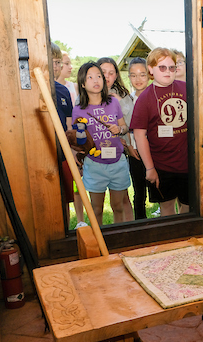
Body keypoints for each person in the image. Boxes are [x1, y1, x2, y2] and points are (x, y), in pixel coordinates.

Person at [131, 48, 189, 216]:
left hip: (188, 164)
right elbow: (139, 134)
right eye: (162, 67)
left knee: (188, 209)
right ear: (150, 69)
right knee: (167, 211)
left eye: (171, 67)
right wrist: (149, 168)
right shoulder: (144, 99)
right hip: (161, 167)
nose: (168, 71)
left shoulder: (187, 89)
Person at [72, 61, 131, 225]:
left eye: (99, 76)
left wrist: (119, 130)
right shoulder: (78, 109)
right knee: (96, 209)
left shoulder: (113, 103)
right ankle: (100, 243)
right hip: (94, 164)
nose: (96, 80)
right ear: (83, 83)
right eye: (90, 77)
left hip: (117, 162)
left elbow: (124, 127)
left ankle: (118, 241)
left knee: (118, 207)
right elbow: (78, 140)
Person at [98, 57, 134, 222]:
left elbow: (133, 120)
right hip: (95, 155)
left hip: (119, 152)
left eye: (111, 73)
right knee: (97, 201)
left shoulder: (123, 95)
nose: (107, 76)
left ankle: (129, 230)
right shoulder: (86, 96)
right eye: (103, 72)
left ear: (116, 76)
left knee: (122, 197)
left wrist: (120, 102)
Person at [51, 42, 75, 224]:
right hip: (44, 153)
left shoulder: (63, 91)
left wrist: (73, 153)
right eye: (52, 61)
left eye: (58, 61)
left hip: (62, 153)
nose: (56, 66)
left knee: (65, 197)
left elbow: (68, 127)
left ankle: (66, 229)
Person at [125, 57, 151, 219]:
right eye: (133, 75)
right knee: (139, 192)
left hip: (156, 152)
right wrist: (129, 146)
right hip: (134, 152)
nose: (138, 79)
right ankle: (140, 223)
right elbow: (124, 127)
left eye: (142, 74)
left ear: (149, 75)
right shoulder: (126, 101)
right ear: (129, 77)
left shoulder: (155, 96)